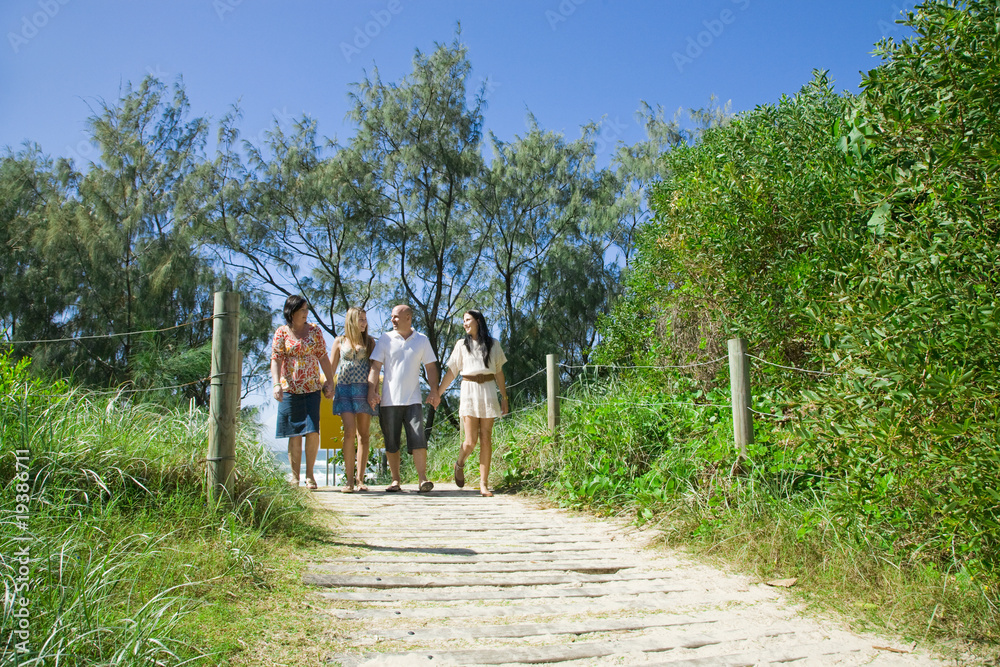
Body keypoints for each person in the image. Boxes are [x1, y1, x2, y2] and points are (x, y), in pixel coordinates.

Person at [367, 304, 441, 493]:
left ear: (408, 317)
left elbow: (431, 367)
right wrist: (372, 391)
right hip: (389, 401)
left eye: (396, 317)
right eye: (391, 316)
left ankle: (423, 479)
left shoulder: (422, 340)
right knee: (391, 441)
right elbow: (375, 367)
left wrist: (434, 390)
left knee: (418, 438)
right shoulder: (385, 339)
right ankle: (395, 480)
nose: (392, 320)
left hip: (413, 400)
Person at [437, 310, 508, 497]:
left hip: (488, 390)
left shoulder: (494, 344)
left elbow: (499, 372)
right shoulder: (461, 345)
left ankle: (484, 484)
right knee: (470, 441)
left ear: (478, 321)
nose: (464, 323)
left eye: (467, 320)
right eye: (463, 321)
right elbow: (452, 372)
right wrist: (438, 393)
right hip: (469, 390)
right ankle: (459, 464)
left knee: (486, 437)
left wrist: (504, 398)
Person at [270, 294, 335, 490]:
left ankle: (310, 476)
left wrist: (330, 381)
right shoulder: (281, 333)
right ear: (292, 312)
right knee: (294, 433)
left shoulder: (315, 331)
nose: (306, 313)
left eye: (307, 310)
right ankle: (294, 476)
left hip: (312, 388)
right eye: (303, 310)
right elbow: (276, 359)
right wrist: (276, 384)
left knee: (313, 430)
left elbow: (323, 357)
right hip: (290, 389)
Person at [329, 306, 378, 493]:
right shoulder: (339, 341)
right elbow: (332, 368)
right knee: (349, 432)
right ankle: (349, 480)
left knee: (363, 435)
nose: (364, 323)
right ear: (351, 321)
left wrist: (373, 391)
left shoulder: (370, 342)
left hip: (363, 390)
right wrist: (327, 386)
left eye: (365, 319)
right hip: (344, 389)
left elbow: (375, 368)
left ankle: (360, 479)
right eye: (361, 319)